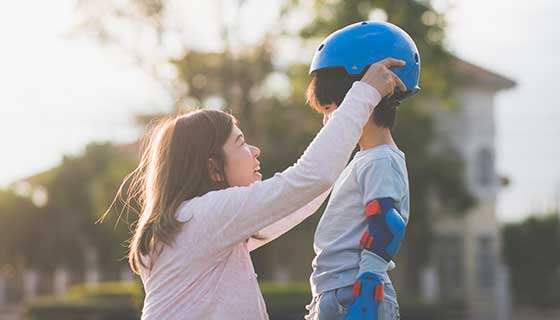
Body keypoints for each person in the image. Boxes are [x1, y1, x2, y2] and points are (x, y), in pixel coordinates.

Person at [100, 57, 406, 319]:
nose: (255, 151)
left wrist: (340, 129)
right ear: (212, 167)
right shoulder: (204, 216)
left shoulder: (191, 225)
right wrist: (364, 94)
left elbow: (301, 196)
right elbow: (307, 181)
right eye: (242, 143)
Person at [303, 21, 421, 320]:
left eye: (331, 109)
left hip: (357, 294)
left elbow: (385, 225)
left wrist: (367, 294)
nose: (327, 120)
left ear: (366, 96)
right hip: (336, 292)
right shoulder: (364, 160)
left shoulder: (380, 160)